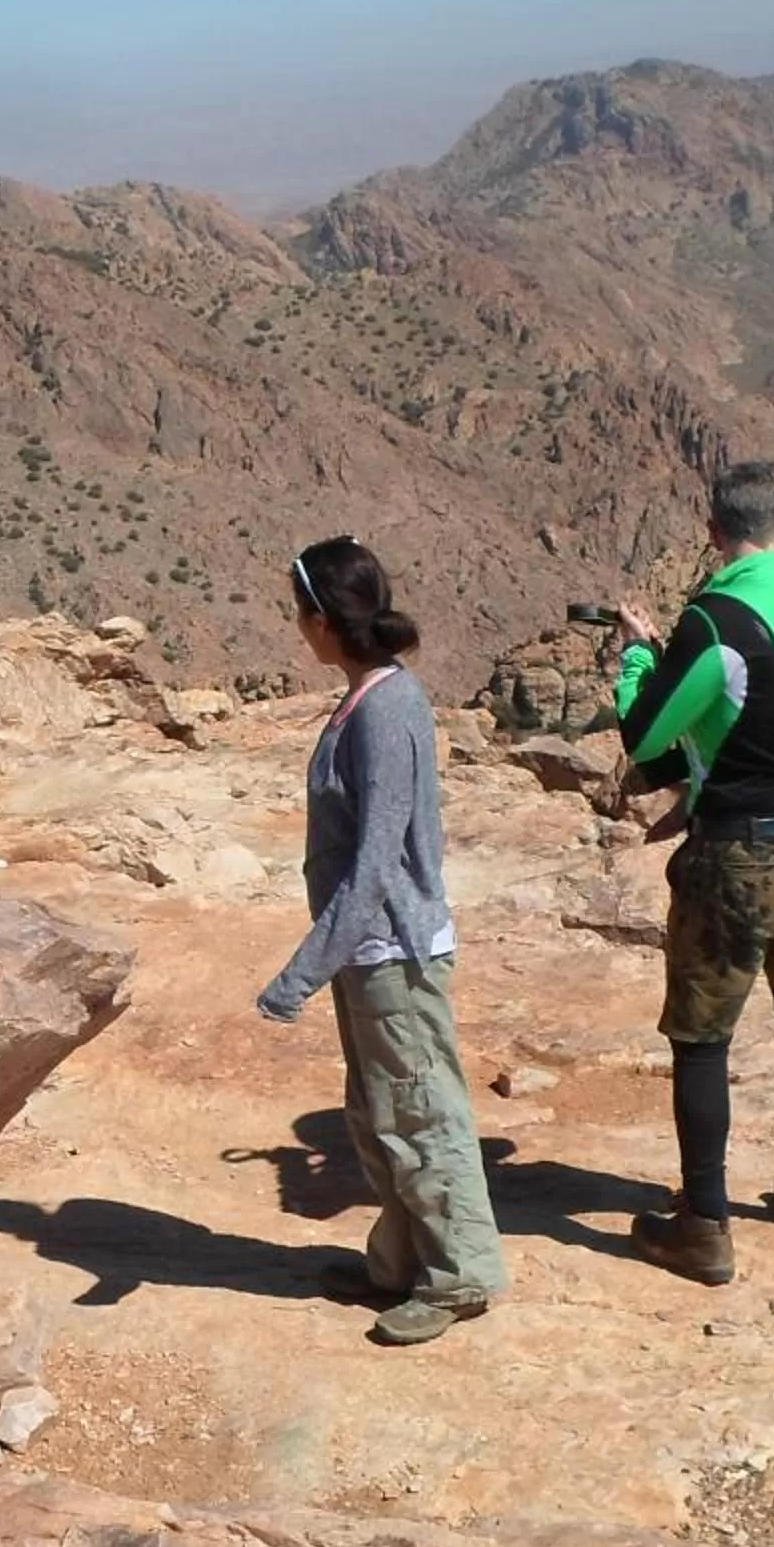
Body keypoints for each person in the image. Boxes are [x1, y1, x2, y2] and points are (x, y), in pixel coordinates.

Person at [612, 460, 774, 1283]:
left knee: (701, 1040)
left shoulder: (714, 619)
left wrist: (637, 661)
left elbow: (648, 740)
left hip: (740, 857)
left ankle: (705, 1225)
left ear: (714, 532)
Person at [256, 537, 508, 1346]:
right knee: (378, 1113)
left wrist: (300, 972)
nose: (297, 628)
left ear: (325, 622)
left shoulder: (387, 709)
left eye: (300, 613)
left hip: (391, 948)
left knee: (422, 1113)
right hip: (372, 953)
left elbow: (374, 861)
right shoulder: (370, 696)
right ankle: (398, 1262)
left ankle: (459, 1273)